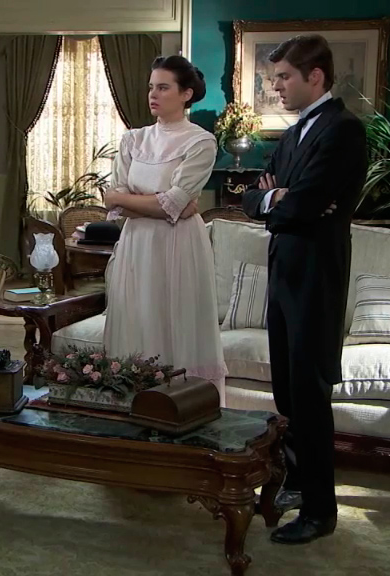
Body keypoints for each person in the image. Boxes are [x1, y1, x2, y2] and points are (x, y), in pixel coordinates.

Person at [240, 35, 367, 544]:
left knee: (311, 396)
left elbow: (302, 204)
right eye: (274, 78)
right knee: (288, 392)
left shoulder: (344, 130)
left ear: (315, 76)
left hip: (316, 278)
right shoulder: (293, 135)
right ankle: (295, 483)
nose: (276, 87)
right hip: (284, 275)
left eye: (284, 77)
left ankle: (320, 511)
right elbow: (251, 197)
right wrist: (277, 198)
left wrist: (280, 200)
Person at [101, 55, 227, 399]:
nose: (153, 95)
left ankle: (184, 405)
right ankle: (133, 403)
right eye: (151, 87)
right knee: (137, 319)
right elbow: (115, 200)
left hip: (178, 246)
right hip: (136, 244)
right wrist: (159, 203)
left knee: (175, 322)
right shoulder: (133, 140)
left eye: (163, 87)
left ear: (186, 94)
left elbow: (171, 203)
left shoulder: (200, 142)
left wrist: (138, 201)